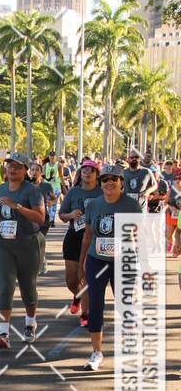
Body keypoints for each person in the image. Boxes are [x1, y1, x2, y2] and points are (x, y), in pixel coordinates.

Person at [77, 163, 143, 371]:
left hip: (123, 261)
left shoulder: (132, 206)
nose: (109, 183)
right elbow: (87, 236)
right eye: (105, 179)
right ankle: (96, 352)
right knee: (95, 304)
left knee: (124, 304)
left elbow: (140, 236)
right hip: (96, 259)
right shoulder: (93, 205)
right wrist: (81, 264)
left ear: (121, 182)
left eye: (114, 179)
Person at [0, 152, 45, 348]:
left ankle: (30, 323)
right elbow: (2, 214)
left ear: (25, 170)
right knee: (4, 286)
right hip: (3, 244)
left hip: (28, 243)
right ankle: (3, 332)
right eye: (10, 165)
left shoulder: (32, 191)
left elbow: (40, 218)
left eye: (17, 166)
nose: (12, 169)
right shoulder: (1, 188)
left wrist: (17, 206)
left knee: (27, 288)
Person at [58, 158, 102, 325]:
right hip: (74, 237)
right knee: (72, 280)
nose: (87, 173)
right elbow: (62, 215)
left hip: (94, 239)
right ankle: (77, 295)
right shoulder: (73, 192)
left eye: (91, 170)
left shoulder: (102, 192)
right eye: (84, 170)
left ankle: (86, 314)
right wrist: (71, 215)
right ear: (80, 173)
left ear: (97, 174)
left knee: (87, 276)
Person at [28, 161, 56, 275]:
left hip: (43, 217)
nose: (34, 172)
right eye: (32, 170)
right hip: (29, 217)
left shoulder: (46, 186)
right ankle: (35, 262)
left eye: (37, 170)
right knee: (31, 242)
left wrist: (50, 202)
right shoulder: (26, 185)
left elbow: (53, 198)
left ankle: (42, 261)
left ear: (41, 172)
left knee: (39, 240)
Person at [43, 151, 64, 226]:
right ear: (49, 157)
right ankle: (49, 218)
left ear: (55, 157)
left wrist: (63, 187)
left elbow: (61, 176)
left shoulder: (58, 165)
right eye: (51, 157)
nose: (52, 158)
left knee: (54, 203)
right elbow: (43, 176)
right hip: (48, 187)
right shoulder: (45, 165)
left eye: (53, 157)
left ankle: (52, 219)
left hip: (56, 187)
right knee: (49, 203)